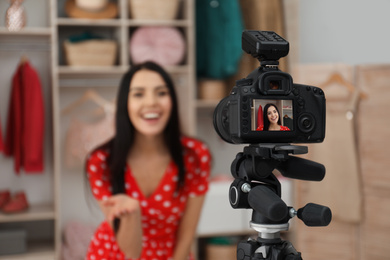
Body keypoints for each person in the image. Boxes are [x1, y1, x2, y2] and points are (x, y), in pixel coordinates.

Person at [85, 61, 211, 260]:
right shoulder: (101, 162)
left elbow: (187, 234)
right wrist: (131, 214)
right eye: (138, 94)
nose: (151, 102)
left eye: (161, 93)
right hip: (114, 253)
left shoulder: (195, 156)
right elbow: (131, 252)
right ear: (125, 103)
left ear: (173, 100)